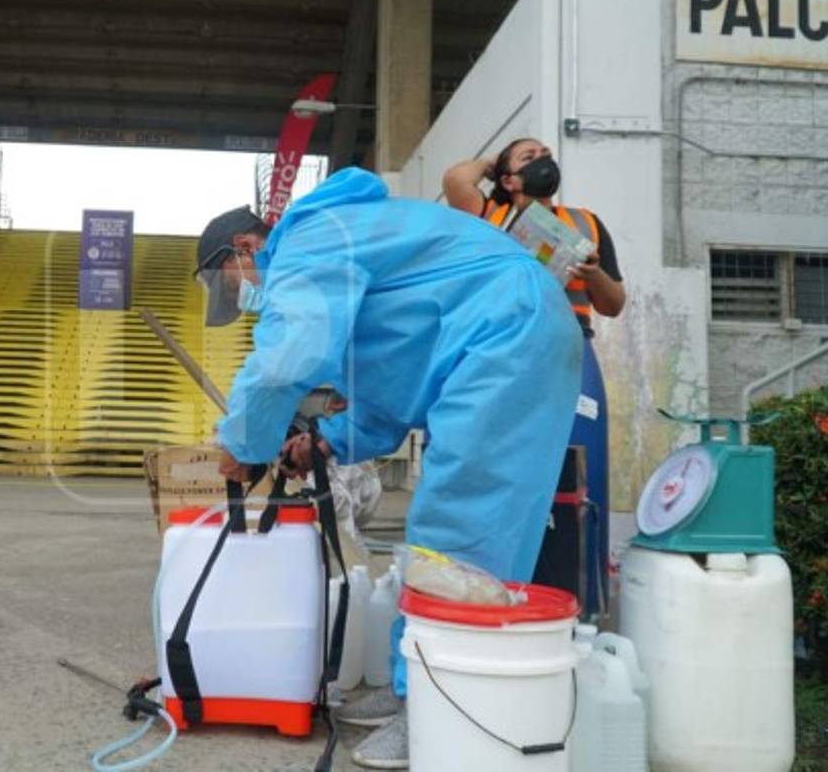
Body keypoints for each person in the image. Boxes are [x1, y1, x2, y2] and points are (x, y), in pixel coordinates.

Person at [194, 168, 582, 769]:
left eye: (228, 282)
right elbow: (388, 382)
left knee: (463, 533)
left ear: (244, 248)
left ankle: (438, 706)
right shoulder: (344, 243)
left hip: (507, 332)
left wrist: (243, 444)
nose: (241, 299)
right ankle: (413, 684)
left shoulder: (308, 240)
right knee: (440, 541)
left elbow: (286, 360)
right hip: (496, 332)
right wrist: (326, 443)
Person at [443, 138, 625, 616]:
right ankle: (499, 584)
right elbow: (456, 179)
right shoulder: (490, 215)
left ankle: (581, 596)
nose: (544, 160)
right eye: (530, 157)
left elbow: (614, 303)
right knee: (502, 464)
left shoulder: (586, 224)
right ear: (508, 179)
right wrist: (496, 165)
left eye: (547, 153)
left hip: (570, 350)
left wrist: (594, 272)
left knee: (579, 462)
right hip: (506, 353)